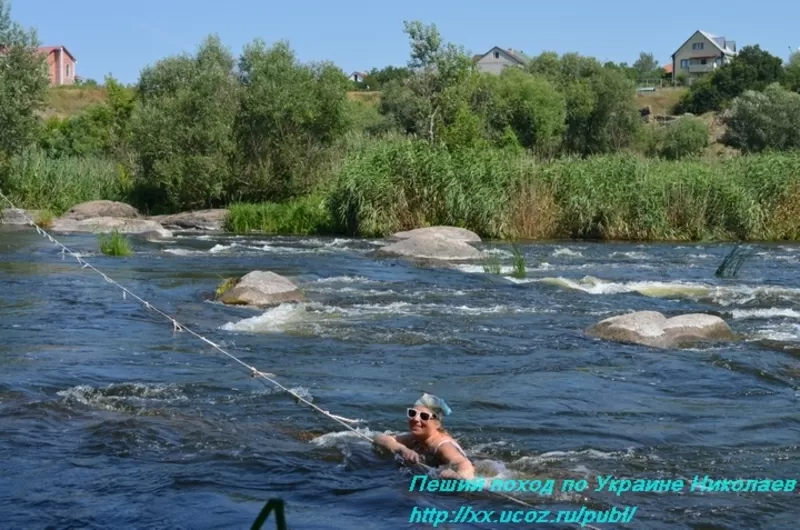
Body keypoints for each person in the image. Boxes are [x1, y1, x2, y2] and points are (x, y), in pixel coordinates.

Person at [373, 393, 475, 480]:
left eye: (424, 416)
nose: (416, 419)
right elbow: (380, 439)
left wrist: (457, 476)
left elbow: (463, 463)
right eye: (412, 413)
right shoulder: (416, 438)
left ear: (436, 423)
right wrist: (402, 449)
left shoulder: (441, 445)